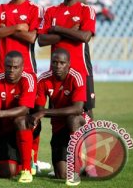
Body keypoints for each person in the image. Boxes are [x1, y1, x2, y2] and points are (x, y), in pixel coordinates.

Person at [0, 0, 43, 174]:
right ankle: (1, 159)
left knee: (29, 117)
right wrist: (17, 27)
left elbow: (31, 38)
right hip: (2, 71)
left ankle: (32, 160)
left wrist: (6, 29)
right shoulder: (0, 8)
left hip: (26, 71)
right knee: (0, 119)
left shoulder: (34, 9)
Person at [38, 0, 96, 119]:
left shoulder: (86, 10)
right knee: (57, 113)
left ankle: (89, 142)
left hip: (81, 70)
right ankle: (60, 143)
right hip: (58, 72)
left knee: (86, 112)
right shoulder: (51, 11)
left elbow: (85, 37)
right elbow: (42, 40)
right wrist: (71, 31)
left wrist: (57, 29)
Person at [29, 48, 90, 185]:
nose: (58, 66)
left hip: (79, 123)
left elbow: (77, 108)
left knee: (72, 119)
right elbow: (38, 108)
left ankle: (78, 163)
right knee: (61, 175)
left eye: (62, 63)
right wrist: (42, 112)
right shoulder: (44, 79)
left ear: (68, 64)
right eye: (54, 62)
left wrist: (45, 112)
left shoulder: (77, 77)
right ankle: (81, 167)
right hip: (58, 126)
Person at [0, 51, 36, 183]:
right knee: (6, 172)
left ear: (22, 67)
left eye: (15, 67)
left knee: (20, 120)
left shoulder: (28, 79)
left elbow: (24, 109)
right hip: (5, 129)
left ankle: (27, 169)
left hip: (26, 126)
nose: (11, 70)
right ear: (3, 65)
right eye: (8, 66)